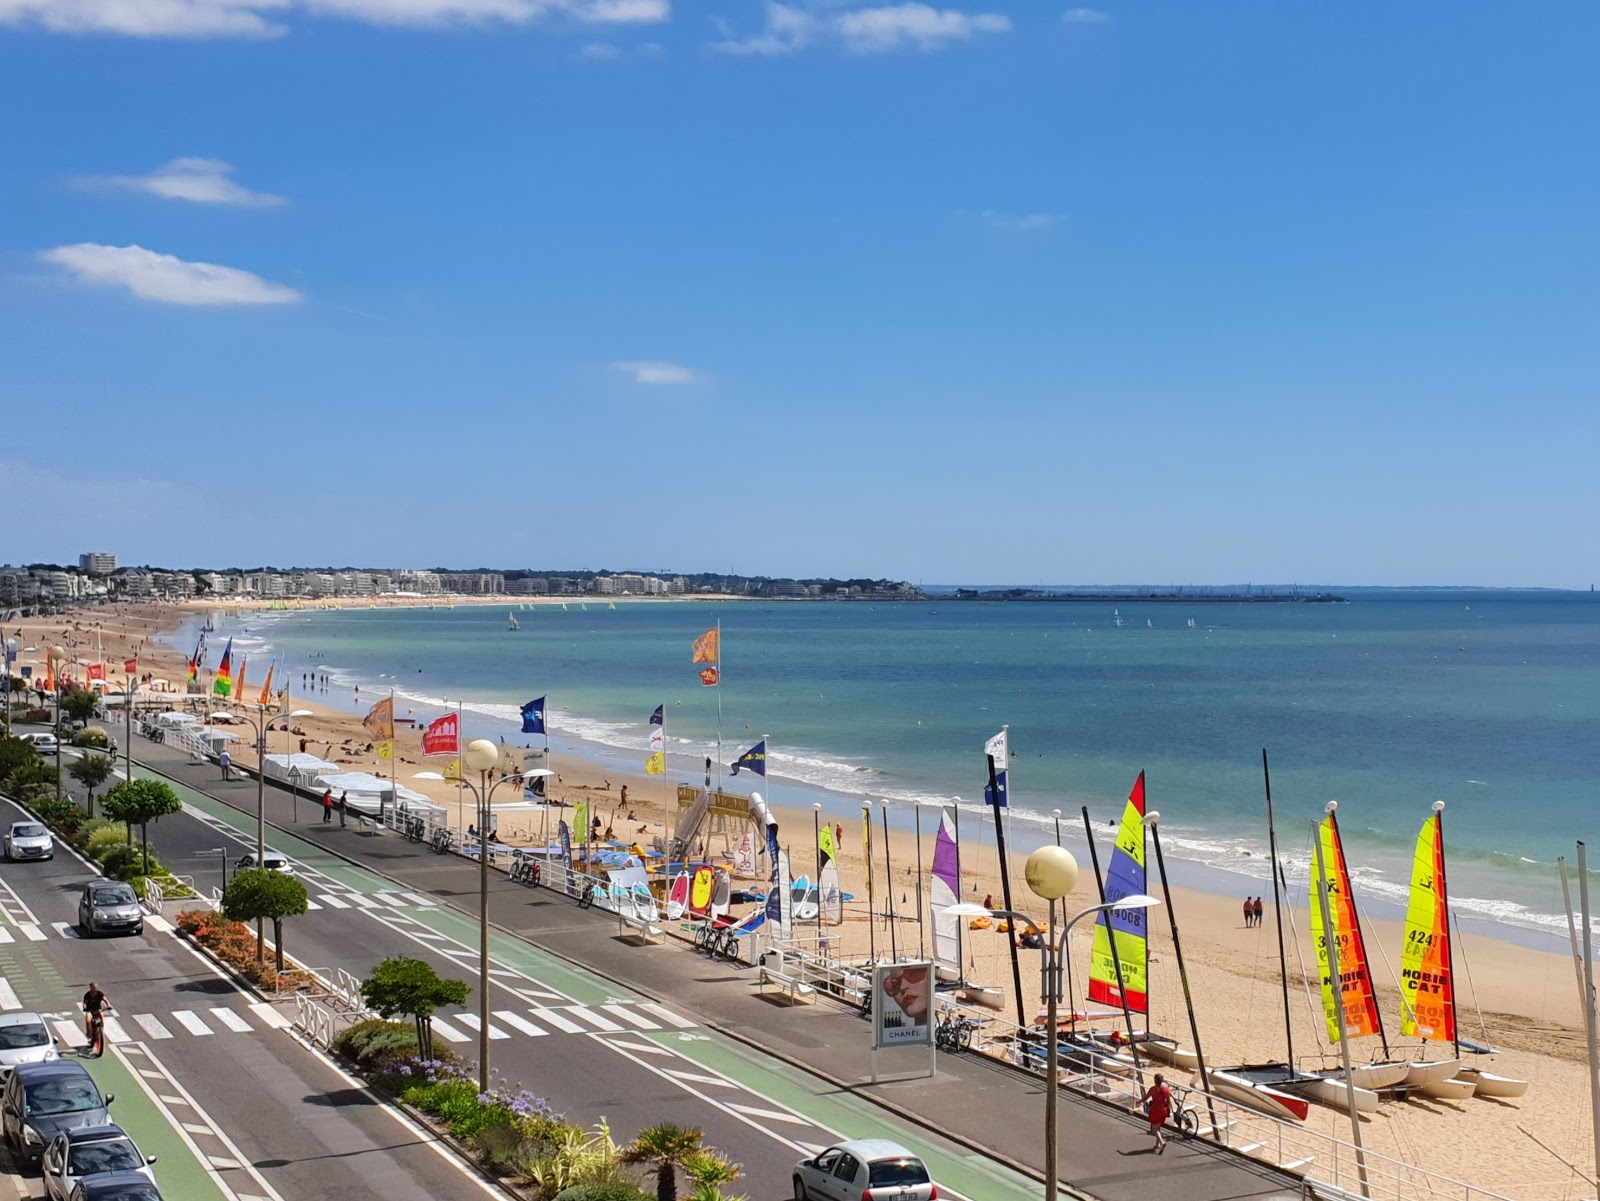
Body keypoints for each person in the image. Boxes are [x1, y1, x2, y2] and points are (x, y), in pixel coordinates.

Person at [1136, 1072, 1173, 1152]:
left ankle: (1162, 1142)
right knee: (1158, 1127)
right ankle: (1157, 1144)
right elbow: (1169, 1102)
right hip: (1163, 1110)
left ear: (1155, 1081)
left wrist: (1138, 1102)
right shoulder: (1166, 1089)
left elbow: (1145, 1098)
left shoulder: (1153, 1089)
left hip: (1155, 1110)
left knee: (1154, 1129)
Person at [82, 982, 111, 1057]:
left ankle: (101, 1030)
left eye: (95, 987)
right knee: (88, 1019)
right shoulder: (87, 995)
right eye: (93, 987)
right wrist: (85, 1006)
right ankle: (89, 1033)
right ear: (90, 987)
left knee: (101, 1015)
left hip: (98, 1010)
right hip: (90, 1011)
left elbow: (105, 999)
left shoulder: (99, 994)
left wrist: (108, 1005)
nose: (94, 989)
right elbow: (85, 1003)